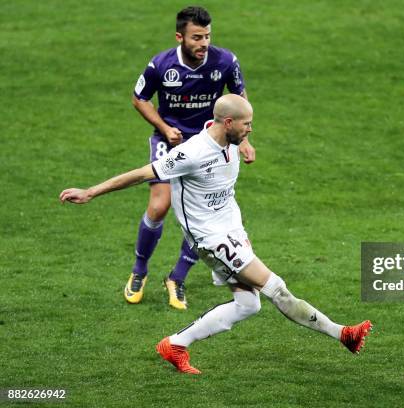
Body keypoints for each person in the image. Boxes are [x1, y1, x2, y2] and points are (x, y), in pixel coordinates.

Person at [60, 94, 372, 375]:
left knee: (248, 305)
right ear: (228, 122)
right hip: (210, 238)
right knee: (276, 288)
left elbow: (235, 144)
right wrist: (90, 192)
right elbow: (143, 173)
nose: (250, 130)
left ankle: (175, 345)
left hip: (231, 229)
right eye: (246, 125)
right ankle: (344, 334)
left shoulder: (229, 139)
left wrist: (244, 143)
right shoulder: (193, 152)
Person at [128, 5, 255, 310]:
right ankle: (139, 270)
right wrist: (163, 127)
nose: (204, 43)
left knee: (203, 216)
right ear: (180, 37)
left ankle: (177, 277)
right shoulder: (161, 65)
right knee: (159, 206)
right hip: (169, 140)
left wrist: (245, 140)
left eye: (207, 36)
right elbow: (139, 98)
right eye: (197, 37)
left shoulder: (226, 61)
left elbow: (240, 98)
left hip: (208, 145)